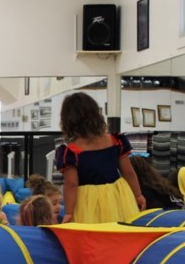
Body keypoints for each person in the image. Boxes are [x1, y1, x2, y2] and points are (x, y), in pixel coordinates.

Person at [55, 92, 145, 224]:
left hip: (87, 201)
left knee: (92, 236)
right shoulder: (115, 141)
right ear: (96, 114)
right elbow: (129, 172)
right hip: (117, 196)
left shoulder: (71, 151)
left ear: (68, 120)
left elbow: (71, 184)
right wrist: (138, 195)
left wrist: (68, 212)